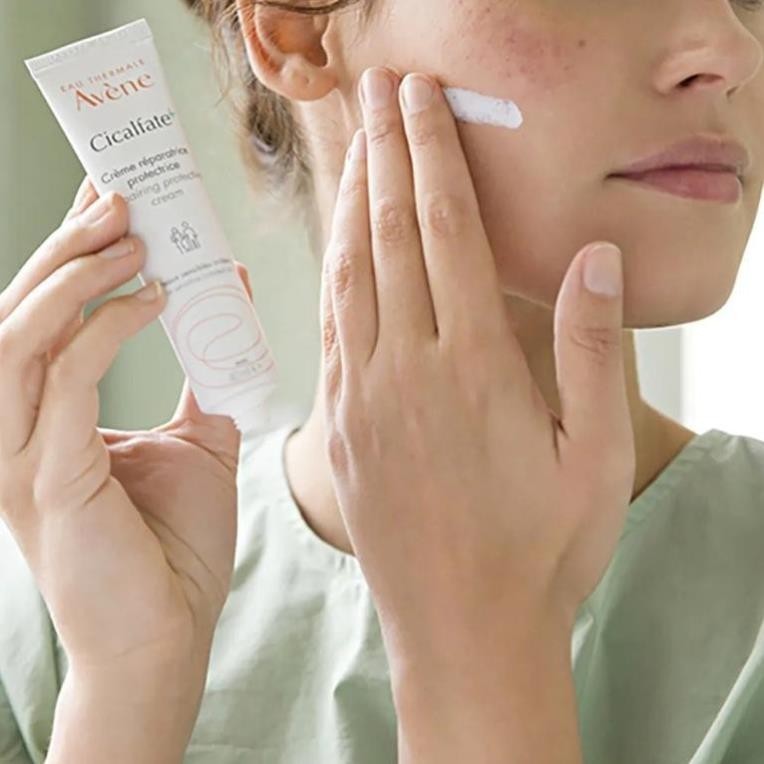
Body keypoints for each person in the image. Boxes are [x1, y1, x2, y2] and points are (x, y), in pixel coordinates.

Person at [2, 0, 764, 761]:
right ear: (296, 31)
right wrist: (126, 695)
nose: (733, 50)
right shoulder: (57, 637)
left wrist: (478, 650)